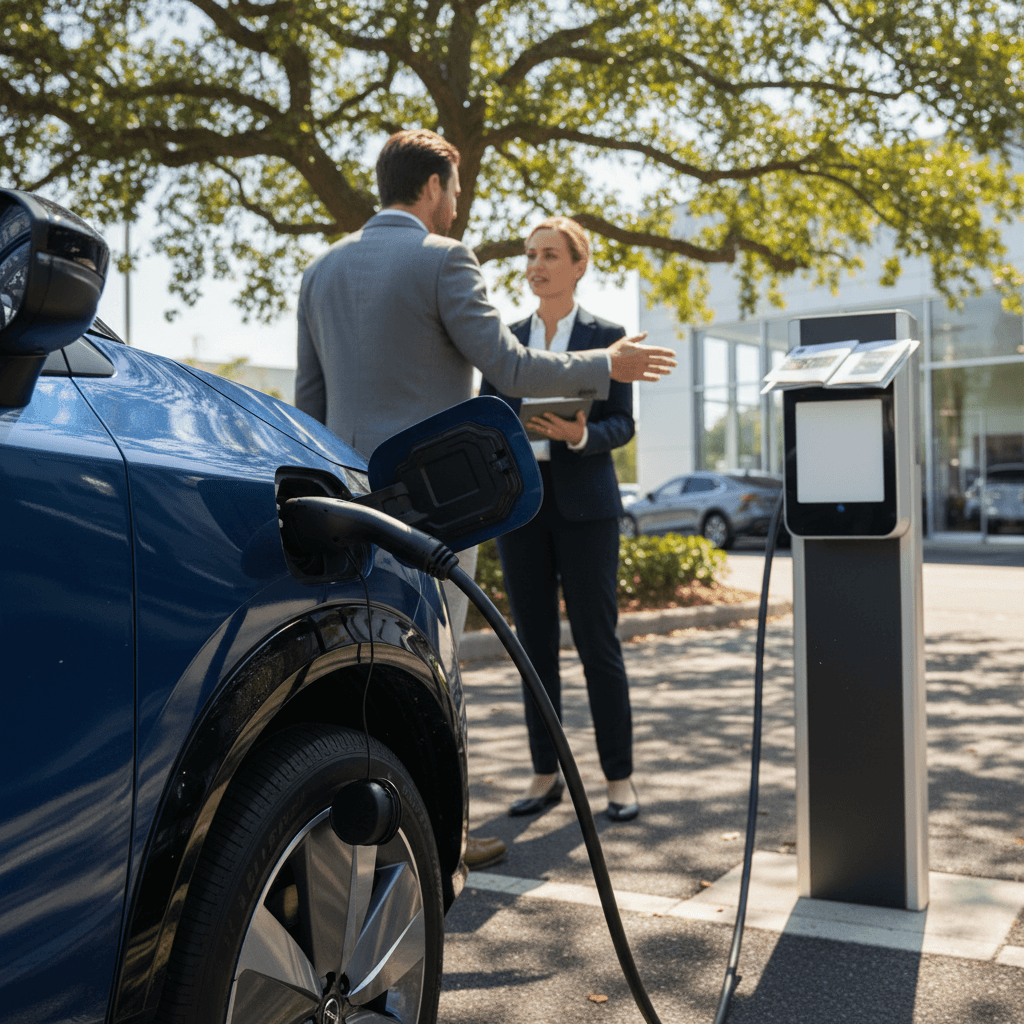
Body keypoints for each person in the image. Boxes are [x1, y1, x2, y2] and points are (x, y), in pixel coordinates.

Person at [295, 131, 673, 862]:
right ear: (435, 186)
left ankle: (354, 832)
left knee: (365, 665)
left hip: (353, 501)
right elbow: (507, 363)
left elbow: (310, 405)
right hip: (437, 508)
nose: (457, 205)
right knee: (433, 665)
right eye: (455, 190)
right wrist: (610, 361)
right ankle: (441, 833)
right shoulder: (445, 258)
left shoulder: (322, 270)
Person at [481, 217, 639, 822]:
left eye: (550, 254)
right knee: (534, 648)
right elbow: (486, 418)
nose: (537, 265)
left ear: (579, 265)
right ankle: (545, 773)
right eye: (529, 256)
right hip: (523, 508)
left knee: (599, 645)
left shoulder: (610, 336)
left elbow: (622, 424)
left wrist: (580, 434)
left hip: (587, 509)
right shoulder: (504, 342)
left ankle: (619, 780)